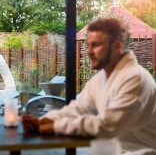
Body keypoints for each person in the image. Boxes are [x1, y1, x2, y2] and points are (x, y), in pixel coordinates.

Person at [22, 18, 156, 155]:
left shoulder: (135, 79)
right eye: (89, 45)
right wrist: (44, 120)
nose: (88, 52)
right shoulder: (100, 79)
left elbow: (107, 127)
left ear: (116, 47)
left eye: (96, 45)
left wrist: (55, 126)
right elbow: (77, 109)